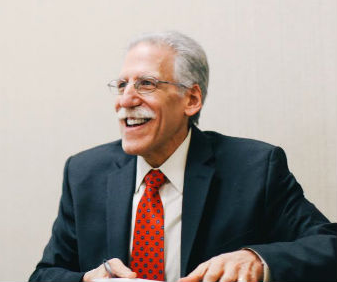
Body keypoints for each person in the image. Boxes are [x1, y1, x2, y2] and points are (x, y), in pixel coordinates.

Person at [29, 31, 337, 282]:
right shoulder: (84, 173)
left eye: (146, 84)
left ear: (191, 99)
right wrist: (87, 281)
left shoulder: (255, 168)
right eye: (121, 85)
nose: (125, 99)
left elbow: (329, 247)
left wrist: (257, 259)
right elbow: (44, 275)